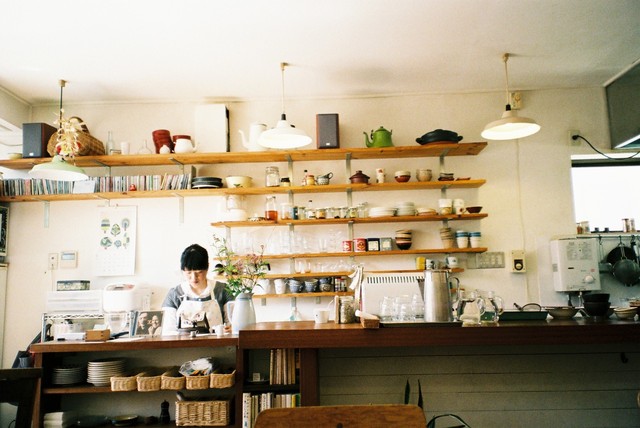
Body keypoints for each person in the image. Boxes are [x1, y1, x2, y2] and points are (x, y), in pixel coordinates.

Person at [161, 244, 234, 335]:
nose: (194, 278)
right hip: (183, 347)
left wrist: (231, 329)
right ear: (182, 270)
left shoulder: (222, 290)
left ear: (207, 267)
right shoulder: (174, 294)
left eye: (199, 272)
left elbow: (233, 325)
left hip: (217, 347)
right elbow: (168, 331)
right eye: (189, 273)